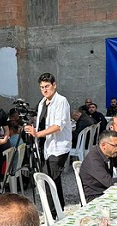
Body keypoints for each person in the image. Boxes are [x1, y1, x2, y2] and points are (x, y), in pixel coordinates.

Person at [25, 73, 72, 209]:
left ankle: (53, 211)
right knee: (52, 179)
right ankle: (59, 208)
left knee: (50, 179)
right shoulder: (42, 103)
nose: (44, 90)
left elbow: (58, 126)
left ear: (54, 85)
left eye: (47, 86)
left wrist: (38, 134)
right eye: (42, 87)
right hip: (45, 146)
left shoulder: (61, 101)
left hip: (58, 146)